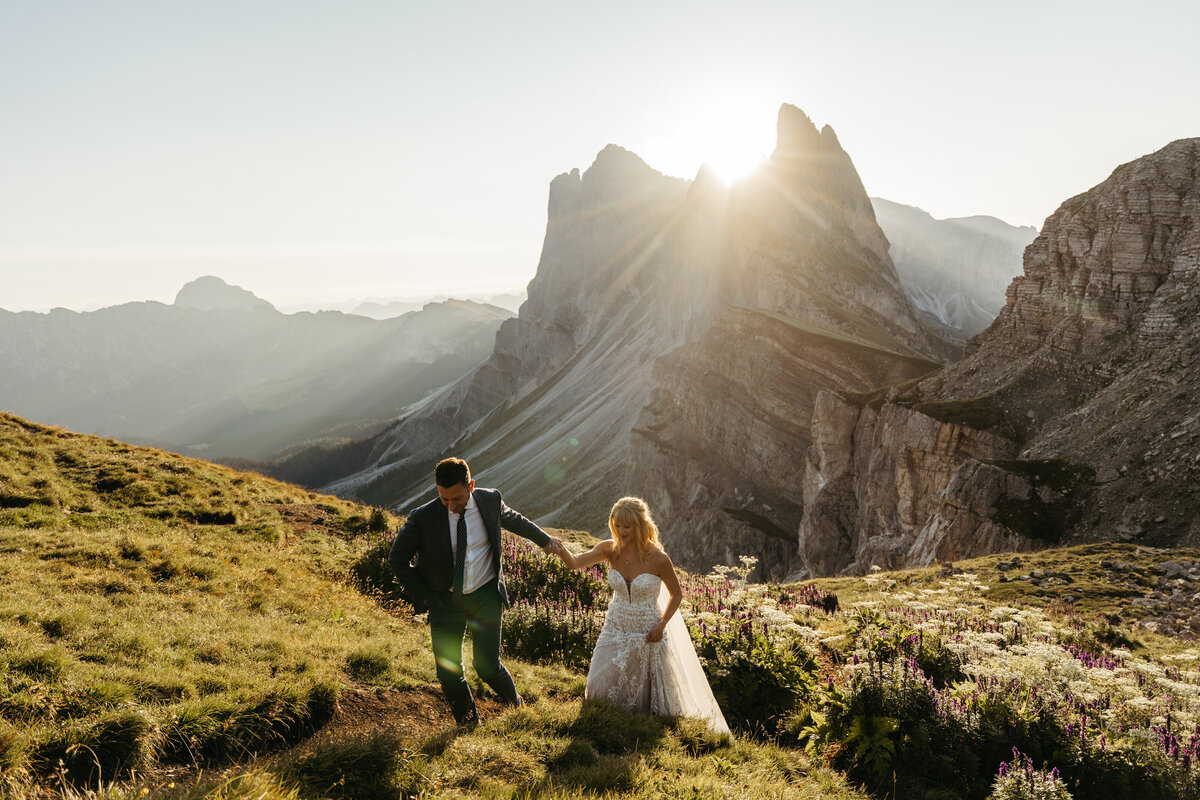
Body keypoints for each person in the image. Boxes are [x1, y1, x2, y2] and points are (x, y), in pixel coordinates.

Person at [388, 457, 563, 726]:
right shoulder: (422, 517)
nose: (451, 505)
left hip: (485, 596)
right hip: (444, 602)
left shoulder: (490, 501)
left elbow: (515, 520)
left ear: (471, 485)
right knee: (448, 672)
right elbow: (397, 559)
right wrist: (426, 596)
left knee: (487, 667)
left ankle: (516, 705)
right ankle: (469, 723)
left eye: (457, 498)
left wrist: (545, 540)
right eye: (444, 499)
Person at [548, 497, 730, 735]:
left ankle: (631, 732)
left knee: (641, 699)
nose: (621, 531)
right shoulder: (609, 549)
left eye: (627, 526)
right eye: (617, 525)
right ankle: (601, 723)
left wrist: (662, 625)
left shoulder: (659, 559)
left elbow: (676, 594)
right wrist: (557, 547)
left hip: (647, 631)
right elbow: (574, 563)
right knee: (596, 684)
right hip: (614, 626)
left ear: (640, 525)